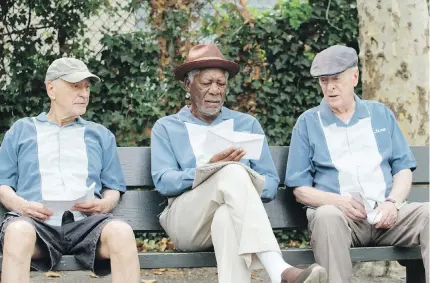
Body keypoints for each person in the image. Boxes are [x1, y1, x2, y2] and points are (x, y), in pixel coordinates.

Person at [151, 43, 327, 283]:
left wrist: (243, 179)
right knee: (230, 171)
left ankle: (277, 272)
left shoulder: (247, 124)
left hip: (233, 217)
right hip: (187, 223)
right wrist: (210, 169)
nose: (215, 91)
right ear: (187, 85)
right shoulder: (167, 127)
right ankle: (278, 270)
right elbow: (163, 182)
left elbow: (271, 185)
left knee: (226, 215)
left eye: (221, 84)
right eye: (206, 83)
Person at [285, 45, 429, 283]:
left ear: (354, 77)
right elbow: (300, 190)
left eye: (336, 79)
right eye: (323, 80)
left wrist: (393, 203)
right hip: (342, 221)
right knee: (326, 216)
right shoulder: (308, 123)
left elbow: (403, 169)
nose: (329, 87)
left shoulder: (380, 113)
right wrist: (338, 202)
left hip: (387, 216)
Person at [0, 58, 140, 283]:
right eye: (75, 86)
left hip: (86, 224)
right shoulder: (20, 131)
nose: (84, 93)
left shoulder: (100, 134)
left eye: (87, 87)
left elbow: (113, 188)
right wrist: (22, 206)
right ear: (51, 89)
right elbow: (3, 185)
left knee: (122, 233)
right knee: (16, 233)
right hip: (35, 224)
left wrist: (103, 204)